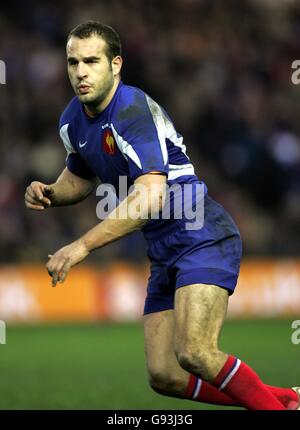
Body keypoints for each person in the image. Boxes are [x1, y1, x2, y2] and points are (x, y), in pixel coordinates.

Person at [24, 21, 299, 410]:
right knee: (165, 375)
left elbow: (150, 197)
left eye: (91, 61)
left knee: (196, 352)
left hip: (200, 232)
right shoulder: (72, 118)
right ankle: (287, 400)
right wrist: (52, 192)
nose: (80, 72)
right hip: (162, 247)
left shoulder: (132, 110)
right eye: (73, 62)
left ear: (115, 64)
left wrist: (81, 245)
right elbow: (81, 174)